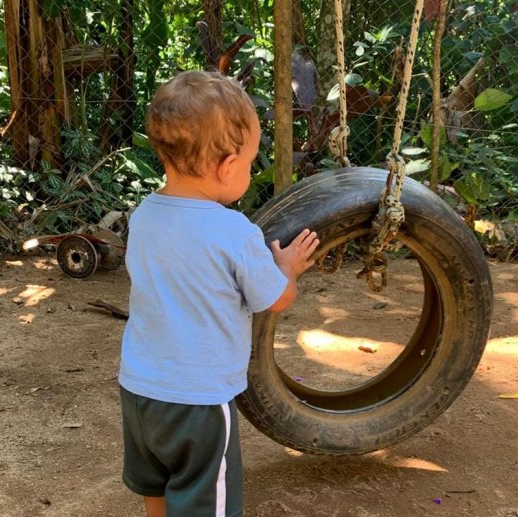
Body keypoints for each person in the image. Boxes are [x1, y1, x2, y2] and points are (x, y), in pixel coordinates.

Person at [118, 70, 319, 517]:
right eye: (248, 161)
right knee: (205, 497)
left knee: (158, 483)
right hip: (199, 403)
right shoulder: (235, 232)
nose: (246, 169)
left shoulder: (143, 216)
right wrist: (286, 267)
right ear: (228, 167)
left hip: (139, 392)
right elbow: (276, 299)